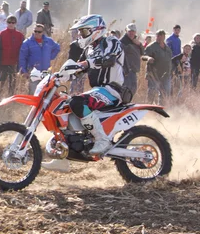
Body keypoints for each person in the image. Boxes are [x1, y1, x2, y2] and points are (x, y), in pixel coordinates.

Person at [44, 15, 124, 171]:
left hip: (113, 90)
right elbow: (80, 70)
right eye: (79, 32)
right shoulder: (89, 49)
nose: (81, 36)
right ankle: (63, 156)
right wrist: (60, 75)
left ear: (96, 30)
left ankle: (102, 140)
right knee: (64, 106)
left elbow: (109, 59)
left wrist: (84, 64)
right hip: (98, 90)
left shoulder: (112, 42)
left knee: (77, 102)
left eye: (84, 31)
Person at [19, 23, 61, 95]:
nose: (37, 33)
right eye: (35, 31)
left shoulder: (49, 41)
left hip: (46, 71)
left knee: (46, 93)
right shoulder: (27, 43)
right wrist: (24, 71)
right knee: (34, 93)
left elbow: (57, 47)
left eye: (39, 32)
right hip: (33, 72)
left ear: (43, 32)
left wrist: (51, 56)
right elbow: (22, 58)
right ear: (33, 31)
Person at [0, 15, 24, 95]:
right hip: (1, 64)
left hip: (14, 64)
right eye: (9, 22)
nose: (11, 24)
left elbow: (23, 51)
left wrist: (20, 64)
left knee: (12, 84)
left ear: (15, 23)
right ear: (6, 23)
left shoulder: (20, 35)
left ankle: (11, 100)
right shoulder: (1, 34)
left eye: (13, 22)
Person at [143, 29, 172, 105]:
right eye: (158, 35)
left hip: (165, 74)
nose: (159, 37)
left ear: (164, 37)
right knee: (151, 93)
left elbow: (170, 60)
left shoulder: (167, 48)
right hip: (153, 74)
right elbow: (143, 56)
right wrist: (148, 58)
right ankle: (148, 109)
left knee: (165, 93)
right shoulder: (151, 46)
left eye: (161, 35)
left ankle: (160, 110)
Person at [120, 23, 143, 97]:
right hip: (126, 69)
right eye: (129, 31)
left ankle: (128, 102)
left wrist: (139, 44)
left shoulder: (135, 41)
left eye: (133, 31)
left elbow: (143, 52)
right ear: (126, 31)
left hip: (134, 69)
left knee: (133, 88)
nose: (131, 33)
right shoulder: (122, 42)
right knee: (127, 88)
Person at [68, 20, 85, 94]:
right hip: (74, 66)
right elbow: (70, 57)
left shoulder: (86, 44)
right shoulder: (74, 44)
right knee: (73, 85)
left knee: (80, 86)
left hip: (83, 67)